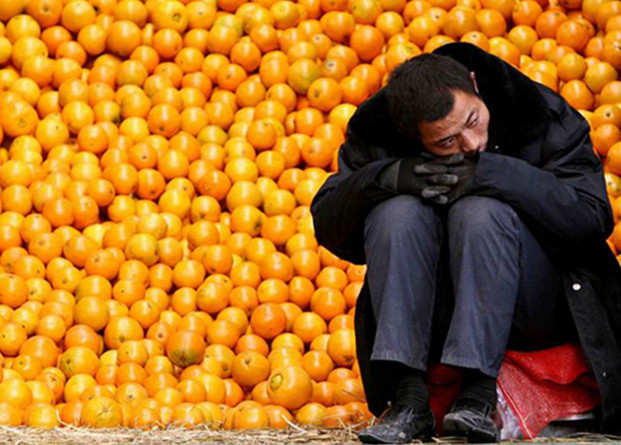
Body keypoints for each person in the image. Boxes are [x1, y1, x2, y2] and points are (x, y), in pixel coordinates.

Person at [310, 42, 621, 444]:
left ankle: (477, 394)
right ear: (412, 136)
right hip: (437, 309)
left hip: (535, 301)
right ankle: (408, 400)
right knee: (396, 213)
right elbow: (333, 228)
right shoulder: (377, 132)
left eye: (472, 120)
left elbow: (591, 221)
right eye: (446, 142)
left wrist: (496, 175)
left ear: (474, 85)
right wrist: (385, 178)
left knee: (481, 212)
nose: (471, 143)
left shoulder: (539, 114)